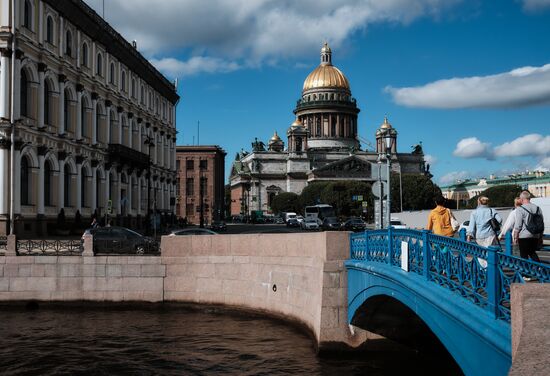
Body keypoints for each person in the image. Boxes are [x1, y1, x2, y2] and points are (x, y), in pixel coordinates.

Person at [513, 191, 543, 262]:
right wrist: (540, 236)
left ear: (522, 199)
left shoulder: (520, 209)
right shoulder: (538, 208)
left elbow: (518, 225)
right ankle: (539, 269)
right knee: (532, 252)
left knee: (524, 255)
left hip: (524, 236)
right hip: (535, 235)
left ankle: (525, 272)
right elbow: (541, 224)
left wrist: (515, 237)